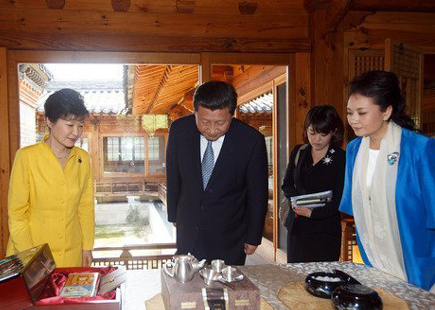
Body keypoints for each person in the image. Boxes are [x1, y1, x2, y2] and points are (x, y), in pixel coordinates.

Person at [340, 70, 435, 291]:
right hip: (373, 261)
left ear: (387, 111)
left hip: (416, 262)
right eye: (349, 112)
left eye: (362, 113)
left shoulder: (419, 149)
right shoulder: (355, 150)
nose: (354, 120)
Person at [166, 81, 269, 265]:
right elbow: (173, 175)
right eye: (204, 122)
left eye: (220, 123)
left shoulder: (251, 141)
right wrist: (173, 215)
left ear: (232, 114)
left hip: (229, 233)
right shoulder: (179, 131)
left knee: (226, 289)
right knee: (189, 288)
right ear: (195, 112)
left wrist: (253, 236)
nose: (212, 130)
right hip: (189, 227)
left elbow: (257, 194)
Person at [6, 89, 95, 267]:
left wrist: (87, 247)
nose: (76, 132)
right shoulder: (27, 157)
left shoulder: (82, 158)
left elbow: (85, 207)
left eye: (80, 125)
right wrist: (32, 258)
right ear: (49, 121)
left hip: (71, 256)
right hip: (30, 256)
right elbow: (17, 215)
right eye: (70, 125)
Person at [281, 106, 346, 263]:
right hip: (297, 226)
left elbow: (340, 197)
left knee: (322, 276)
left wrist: (312, 213)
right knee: (295, 277)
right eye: (312, 133)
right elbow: (287, 185)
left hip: (324, 229)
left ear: (333, 132)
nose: (317, 139)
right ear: (306, 130)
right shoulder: (299, 151)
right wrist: (298, 203)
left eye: (323, 134)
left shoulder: (341, 158)